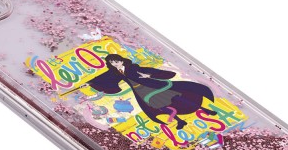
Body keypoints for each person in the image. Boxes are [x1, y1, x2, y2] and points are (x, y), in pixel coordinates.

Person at [85, 54, 216, 129]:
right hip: (140, 91)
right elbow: (104, 77)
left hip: (152, 84)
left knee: (176, 96)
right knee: (157, 105)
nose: (115, 64)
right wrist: (89, 82)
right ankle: (180, 121)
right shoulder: (116, 72)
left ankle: (204, 109)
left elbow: (148, 70)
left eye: (116, 61)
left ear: (121, 60)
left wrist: (149, 75)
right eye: (113, 63)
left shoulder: (133, 67)